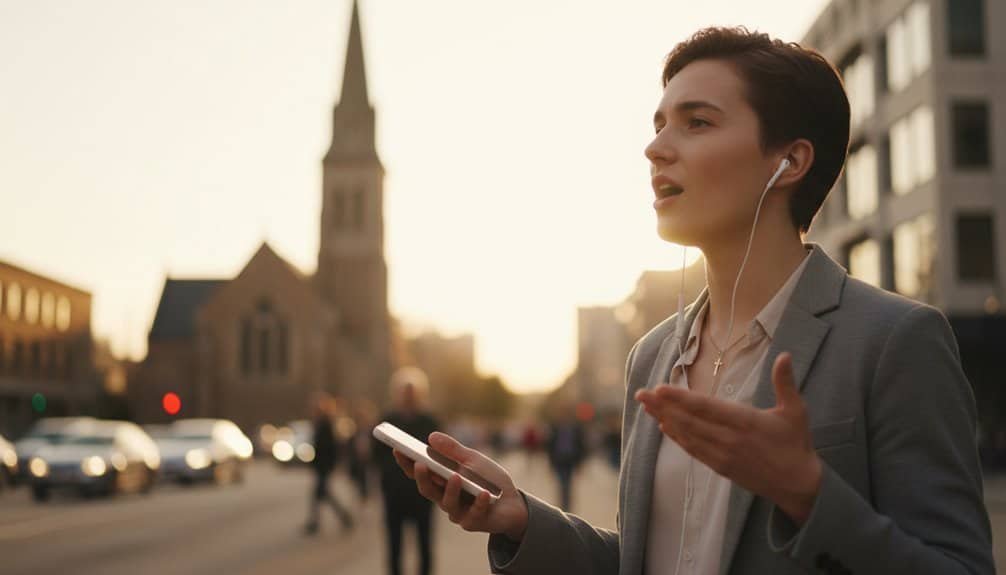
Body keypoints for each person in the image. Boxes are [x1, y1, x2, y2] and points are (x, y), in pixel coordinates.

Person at [391, 26, 995, 575]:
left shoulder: (896, 340)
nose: (656, 149)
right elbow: (650, 559)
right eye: (658, 125)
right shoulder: (652, 356)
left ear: (789, 162)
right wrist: (521, 518)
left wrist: (809, 495)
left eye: (697, 122)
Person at [374, 367, 441, 575]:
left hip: (423, 493)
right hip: (394, 493)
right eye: (404, 392)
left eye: (412, 392)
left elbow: (439, 457)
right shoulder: (387, 422)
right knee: (394, 546)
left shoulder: (430, 422)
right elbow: (376, 455)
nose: (408, 397)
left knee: (425, 545)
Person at [304, 393, 354, 535]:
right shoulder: (321, 423)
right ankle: (339, 517)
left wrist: (328, 464)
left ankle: (320, 521)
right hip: (321, 465)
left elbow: (329, 447)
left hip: (324, 466)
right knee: (322, 493)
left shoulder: (326, 424)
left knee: (321, 493)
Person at [545, 403, 586, 511]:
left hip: (570, 460)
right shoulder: (554, 427)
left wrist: (580, 462)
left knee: (568, 484)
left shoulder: (576, 427)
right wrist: (550, 463)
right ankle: (564, 506)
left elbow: (581, 445)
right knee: (562, 484)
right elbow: (550, 445)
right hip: (559, 460)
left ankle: (567, 506)